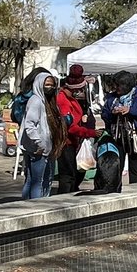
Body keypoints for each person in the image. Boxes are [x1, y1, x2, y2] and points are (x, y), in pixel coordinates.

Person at [102, 71, 137, 188]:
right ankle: (115, 192)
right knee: (116, 168)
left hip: (135, 136)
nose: (116, 88)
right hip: (117, 137)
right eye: (115, 85)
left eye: (119, 85)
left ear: (126, 85)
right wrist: (112, 112)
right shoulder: (112, 97)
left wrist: (130, 110)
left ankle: (135, 193)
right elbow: (104, 115)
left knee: (134, 168)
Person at [20, 71, 65, 199]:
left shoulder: (47, 101)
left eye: (52, 85)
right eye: (47, 85)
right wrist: (39, 143)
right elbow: (30, 125)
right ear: (39, 84)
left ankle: (25, 205)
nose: (49, 88)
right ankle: (37, 208)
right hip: (38, 149)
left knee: (32, 180)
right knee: (38, 182)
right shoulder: (36, 101)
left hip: (44, 147)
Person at [56, 65, 97, 194]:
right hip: (65, 141)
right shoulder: (63, 100)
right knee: (68, 175)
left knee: (73, 173)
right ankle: (64, 201)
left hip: (73, 141)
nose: (81, 92)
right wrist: (90, 132)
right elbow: (70, 127)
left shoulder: (70, 98)